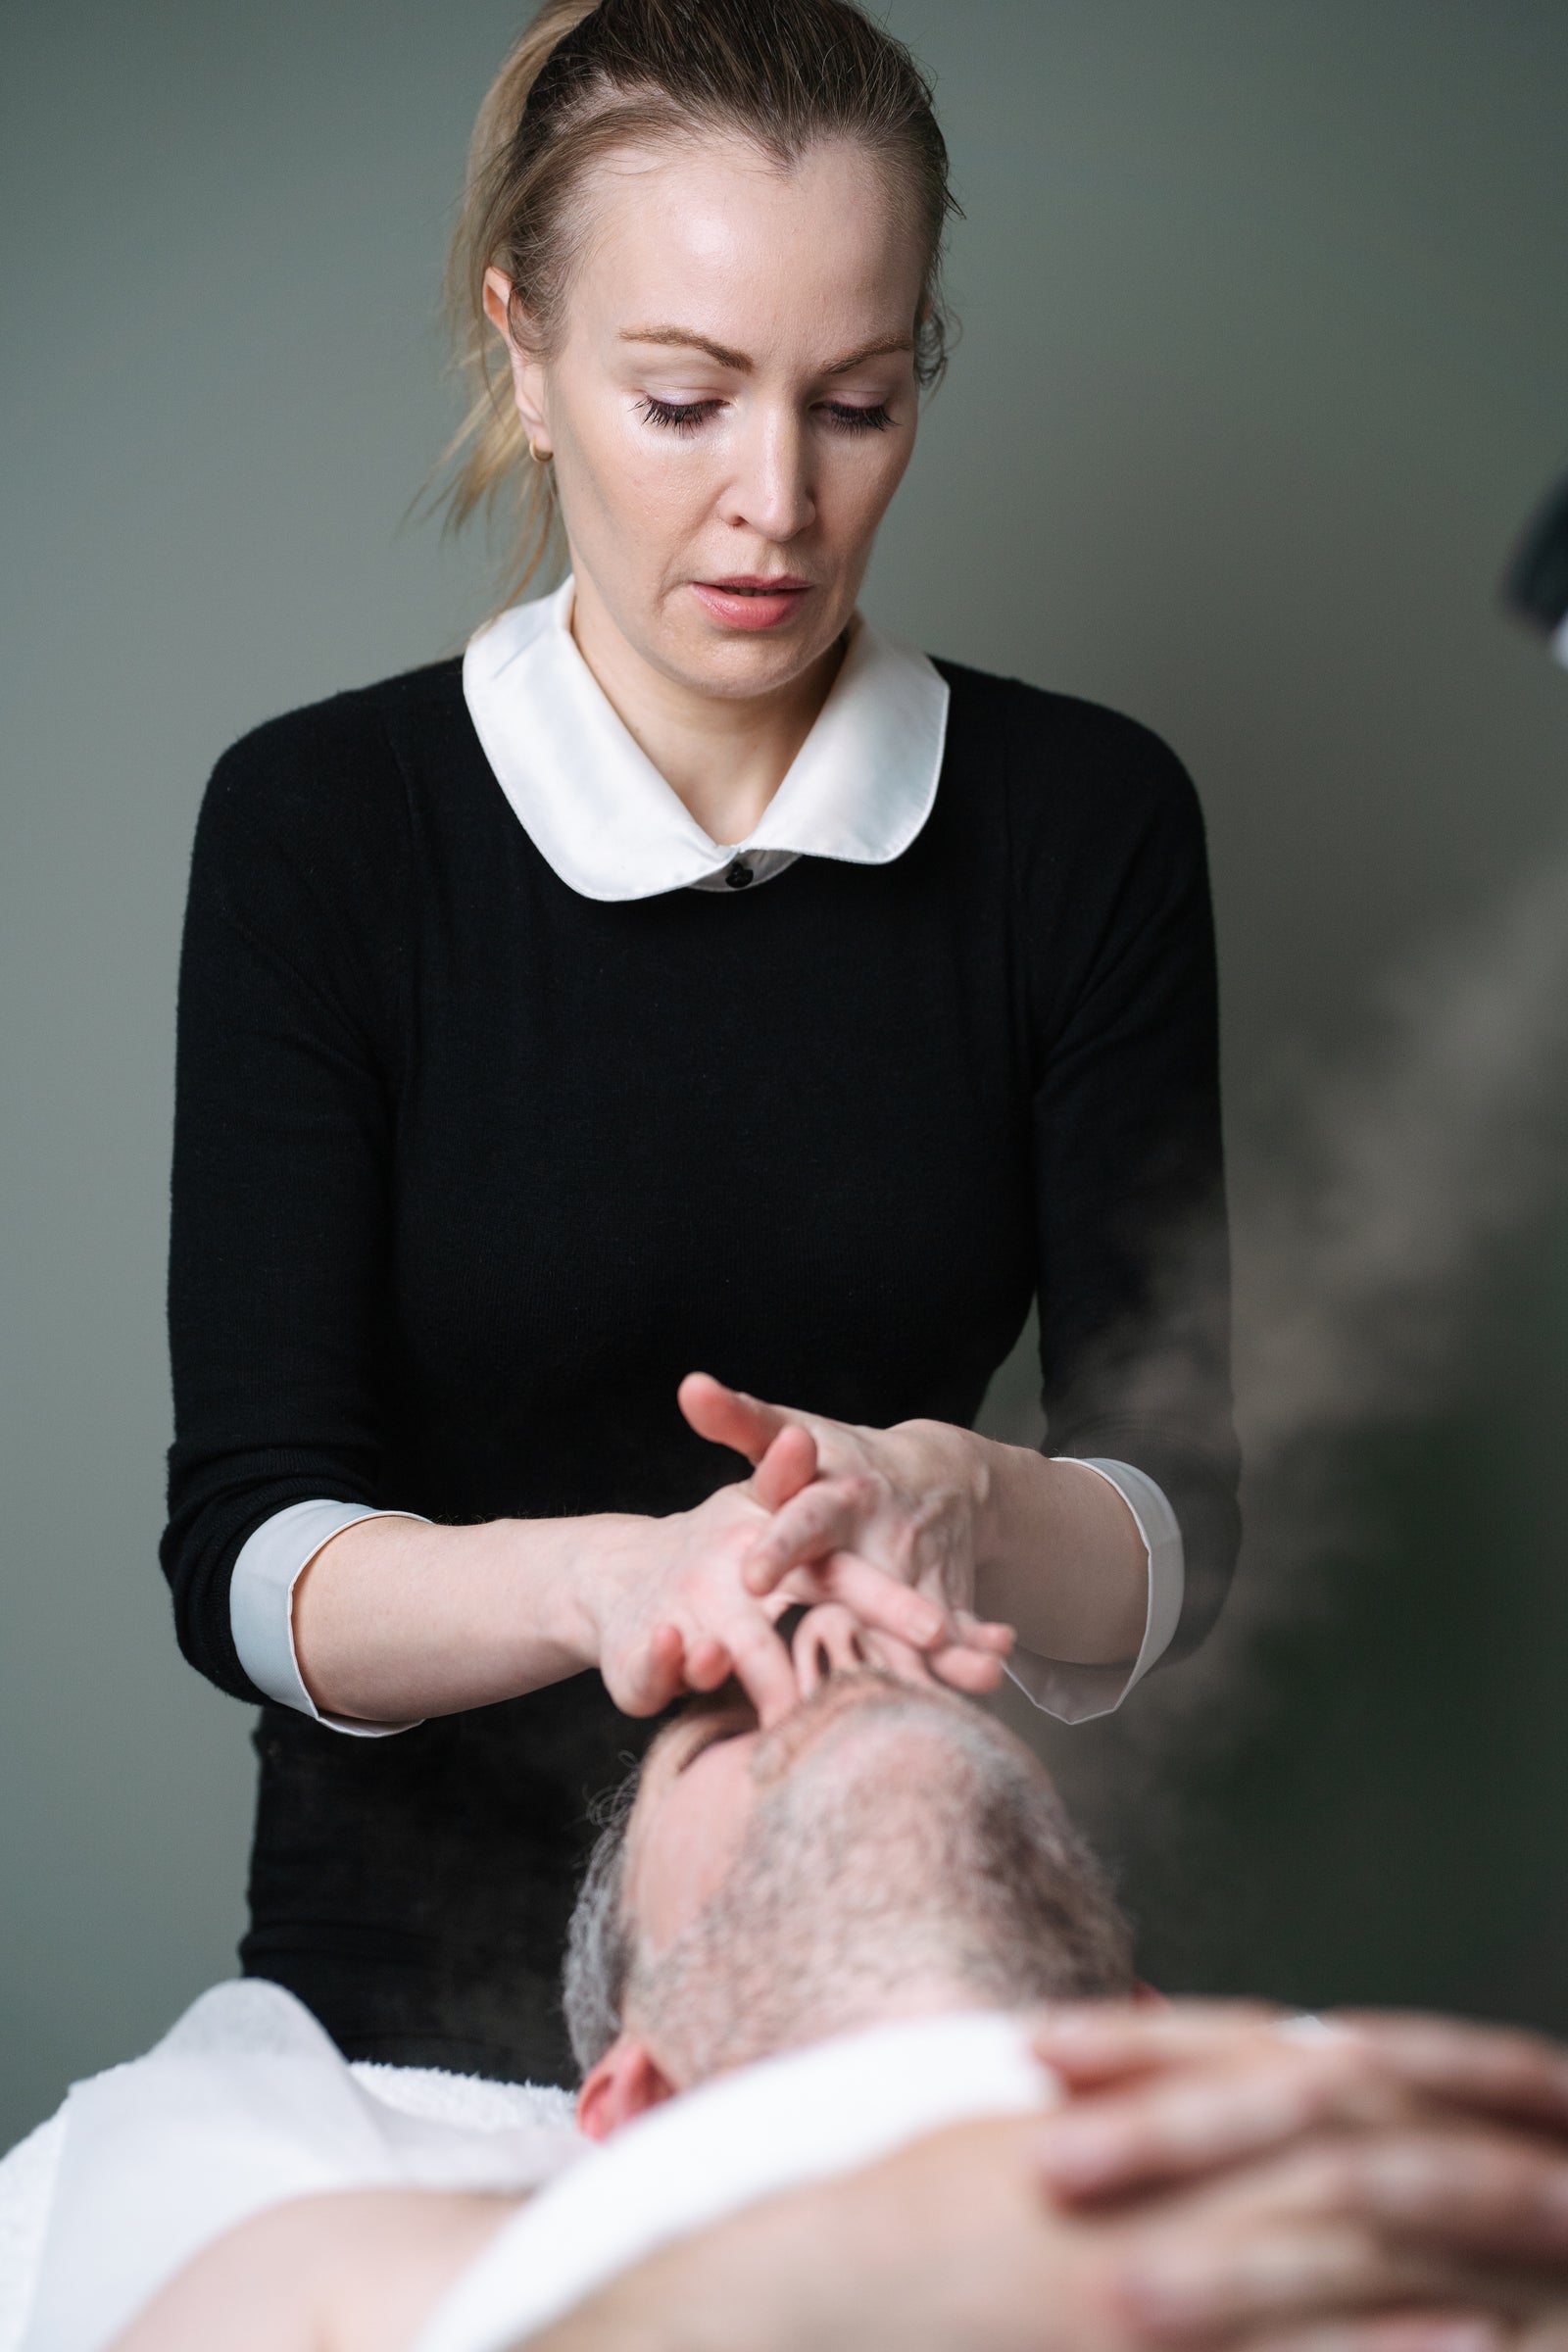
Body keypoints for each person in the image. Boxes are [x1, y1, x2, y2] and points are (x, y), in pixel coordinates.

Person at [163, 0, 1240, 2085]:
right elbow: (251, 1556)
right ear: (525, 353)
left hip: (889, 1971)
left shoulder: (1079, 827)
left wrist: (955, 1500)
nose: (775, 502)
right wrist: (609, 1581)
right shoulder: (324, 828)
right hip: (397, 2010)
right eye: (683, 399)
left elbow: (1173, 1530)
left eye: (852, 403)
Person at [75, 1663, 1568, 2350]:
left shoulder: (1366, 2145)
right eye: (728, 1727)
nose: (831, 1684)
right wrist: (810, 2279)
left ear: (1136, 2010)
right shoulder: (371, 2265)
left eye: (925, 1695)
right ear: (638, 2105)